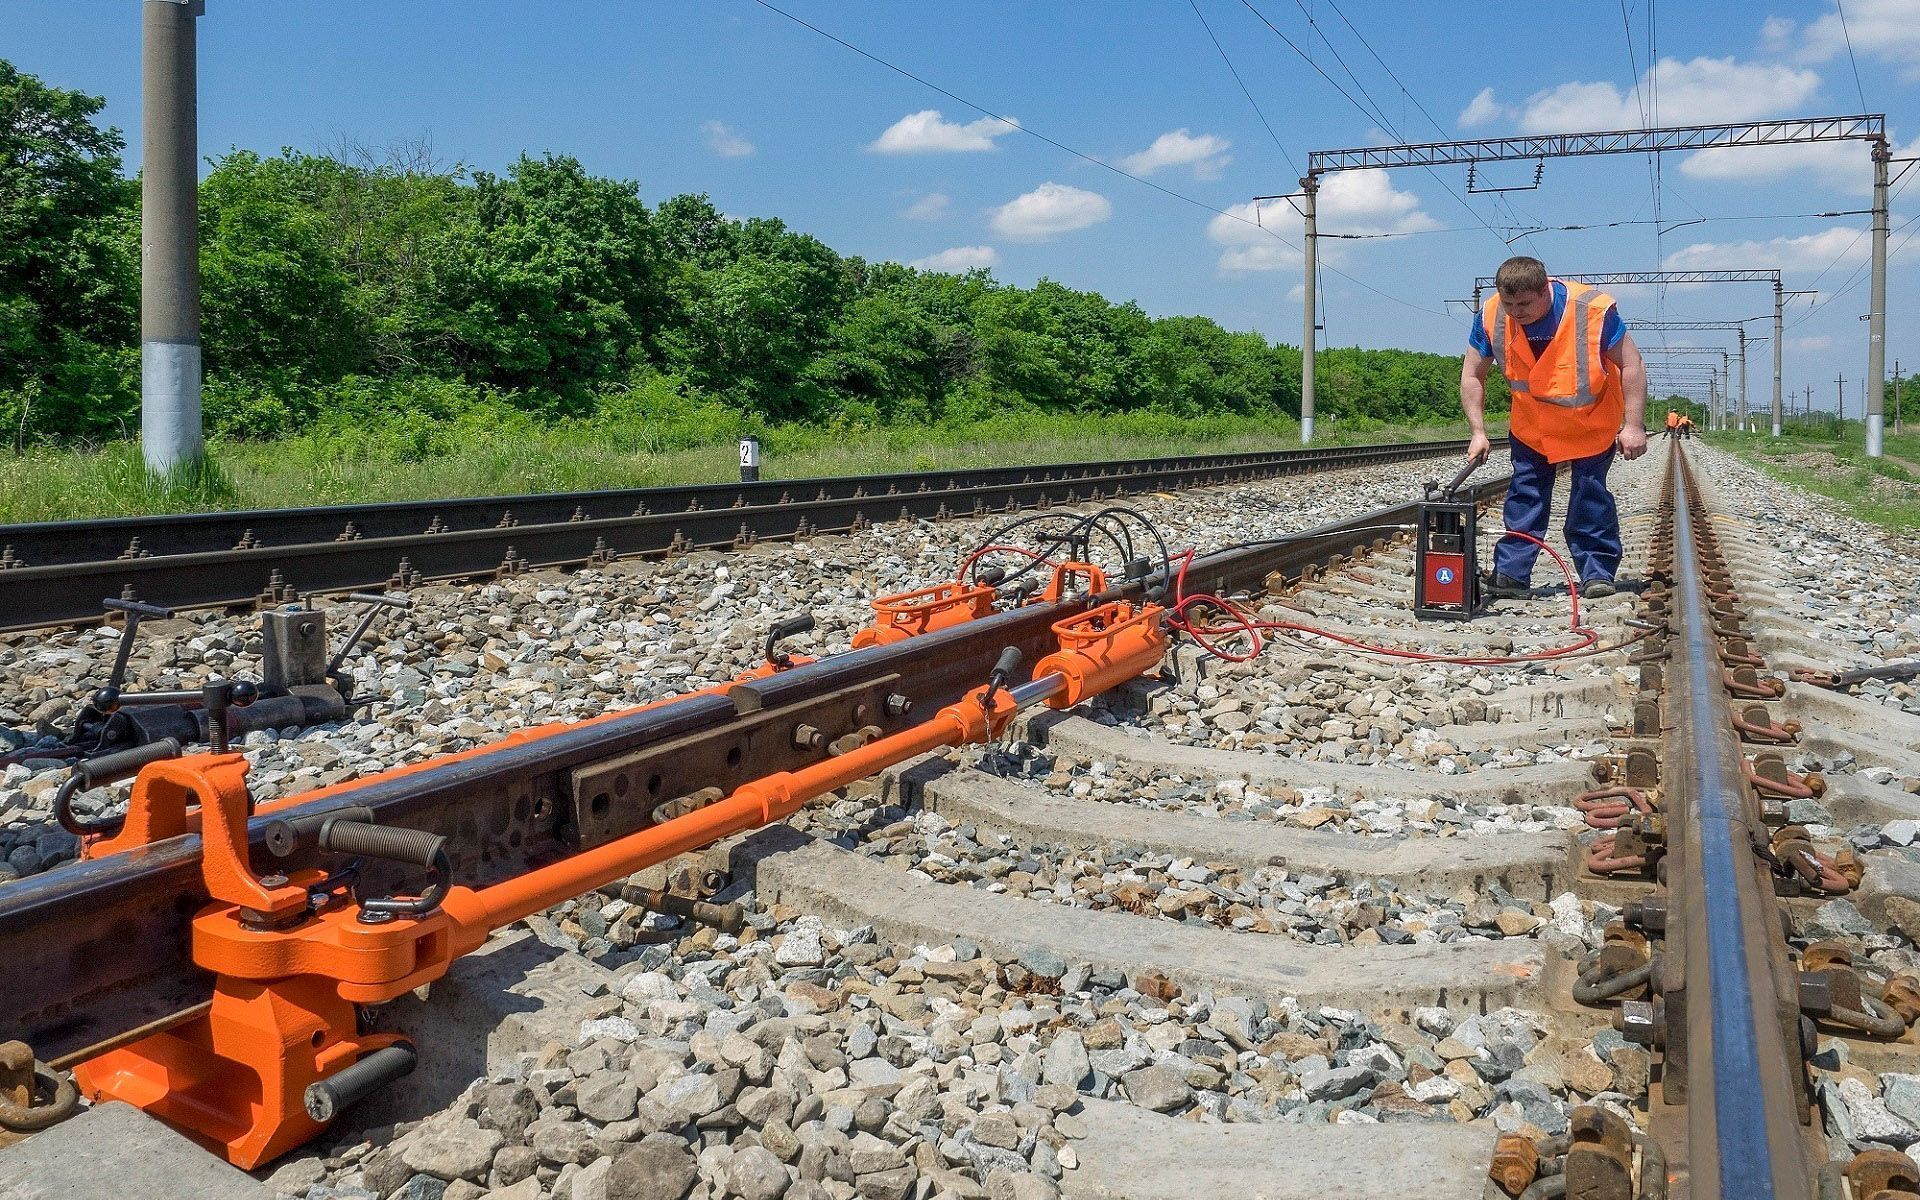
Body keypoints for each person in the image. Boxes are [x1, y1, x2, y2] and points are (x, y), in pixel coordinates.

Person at [1460, 256, 1648, 601]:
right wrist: (1478, 431)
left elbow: (1632, 363)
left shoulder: (1592, 310)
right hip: (1531, 428)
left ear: (1545, 289)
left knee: (1589, 497)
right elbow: (1473, 373)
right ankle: (1512, 575)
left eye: (1525, 304)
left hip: (1589, 425)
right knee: (1524, 496)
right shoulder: (1490, 315)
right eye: (1509, 303)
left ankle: (1597, 572)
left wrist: (1633, 425)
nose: (1516, 311)